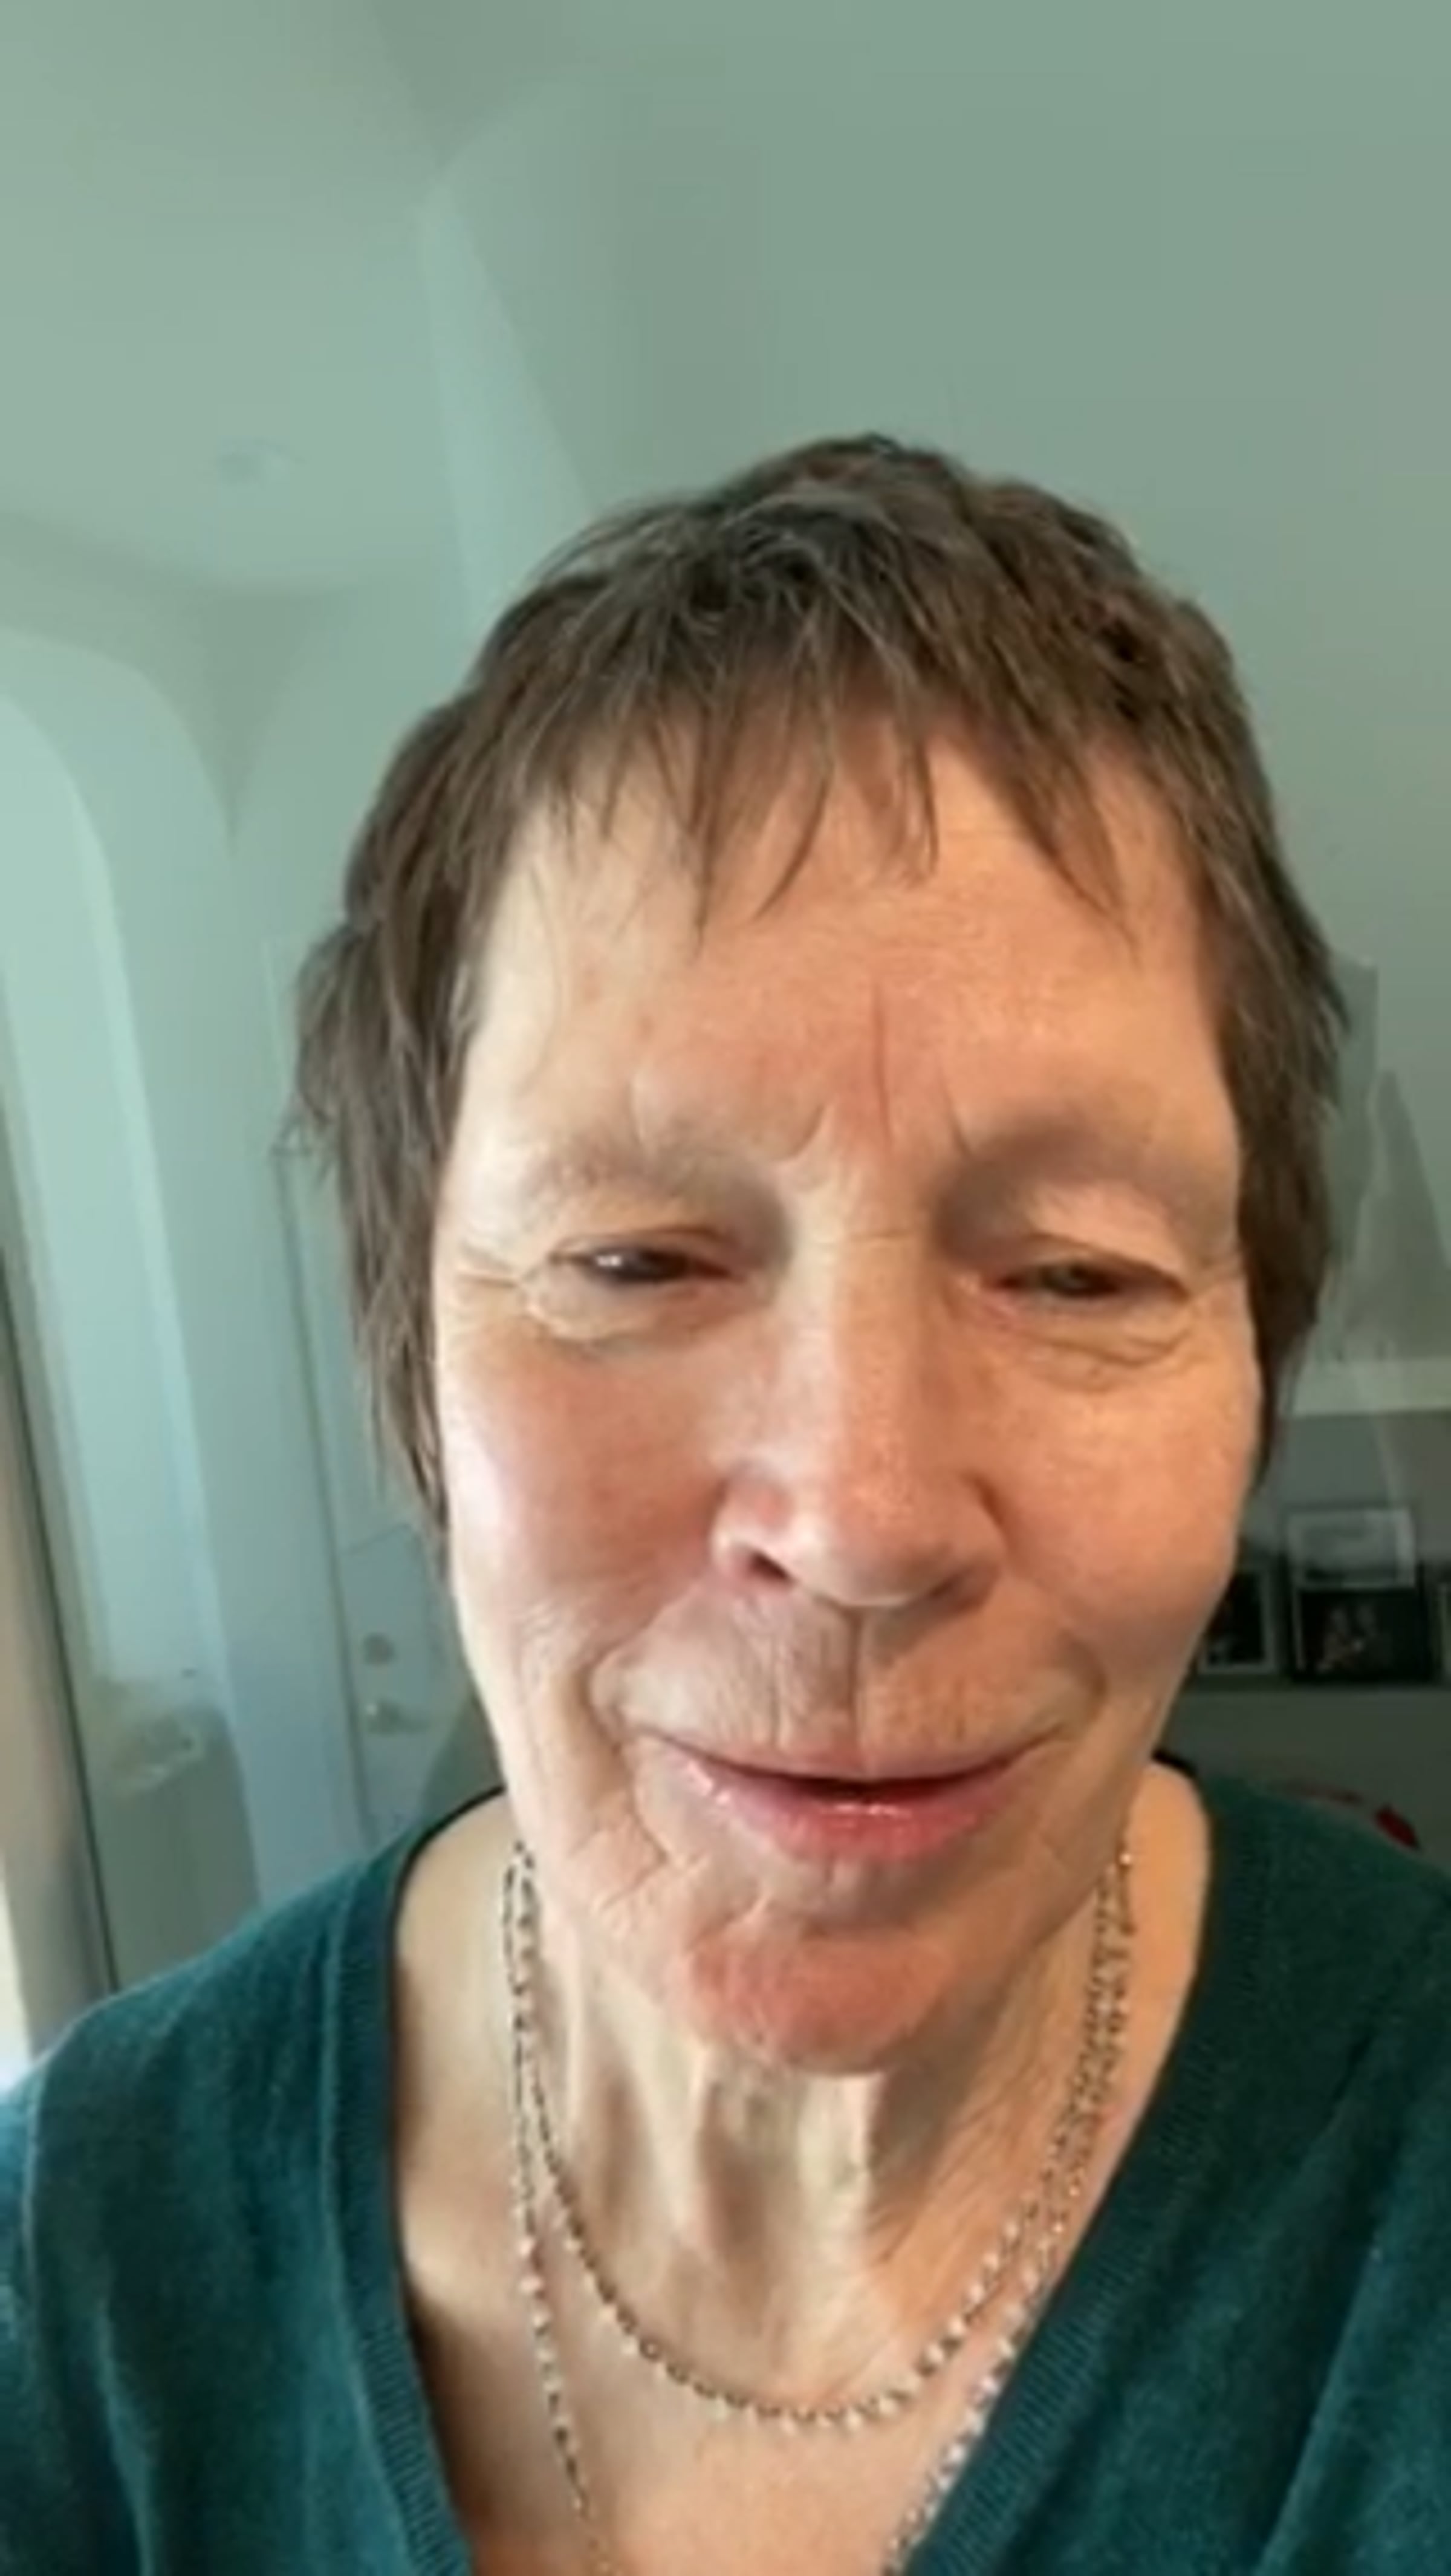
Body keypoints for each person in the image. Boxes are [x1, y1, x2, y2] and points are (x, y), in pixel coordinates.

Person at [3, 434, 1449, 2575]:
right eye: (635, 1260)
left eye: (1077, 1274)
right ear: (410, 1369)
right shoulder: (86, 2266)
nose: (862, 1519)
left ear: (1252, 1375)